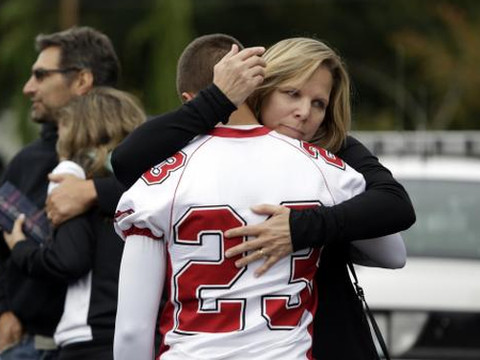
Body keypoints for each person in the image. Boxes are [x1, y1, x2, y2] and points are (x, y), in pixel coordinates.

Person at [111, 35, 415, 359]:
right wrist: (220, 98)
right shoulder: (323, 170)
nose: (303, 113)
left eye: (319, 104)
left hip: (322, 333)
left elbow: (394, 209)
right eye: (292, 93)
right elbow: (127, 160)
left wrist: (302, 228)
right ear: (258, 88)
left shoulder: (333, 153)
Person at [0, 26, 123, 360]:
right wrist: (4, 309)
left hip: (108, 346)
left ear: (82, 80)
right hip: (27, 347)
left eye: (40, 75)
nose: (28, 88)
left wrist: (95, 190)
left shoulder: (134, 157)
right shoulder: (25, 162)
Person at [4, 87, 145, 360]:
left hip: (90, 335)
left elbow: (70, 259)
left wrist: (21, 249)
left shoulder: (72, 178)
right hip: (145, 329)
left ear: (80, 129)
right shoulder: (152, 182)